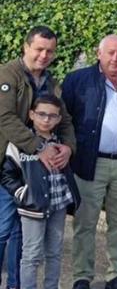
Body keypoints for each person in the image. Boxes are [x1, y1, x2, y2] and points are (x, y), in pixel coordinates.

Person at [62, 35, 117, 289]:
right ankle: (82, 276)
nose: (115, 58)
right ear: (98, 54)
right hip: (90, 163)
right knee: (85, 223)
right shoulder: (77, 81)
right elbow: (65, 121)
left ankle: (115, 274)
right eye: (110, 53)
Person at [0, 27, 76, 289]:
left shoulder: (51, 82)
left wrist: (68, 146)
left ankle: (16, 285)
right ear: (26, 47)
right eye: (39, 49)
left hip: (35, 171)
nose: (44, 55)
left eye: (50, 51)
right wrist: (38, 147)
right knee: (2, 230)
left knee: (21, 235)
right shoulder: (8, 74)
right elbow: (4, 118)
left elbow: (64, 119)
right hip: (7, 164)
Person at [2, 95, 80, 289]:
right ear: (31, 114)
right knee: (31, 254)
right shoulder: (21, 143)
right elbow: (7, 174)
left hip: (58, 204)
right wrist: (22, 194)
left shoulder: (61, 142)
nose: (46, 119)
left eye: (52, 116)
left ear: (59, 119)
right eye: (41, 114)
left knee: (54, 252)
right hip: (33, 206)